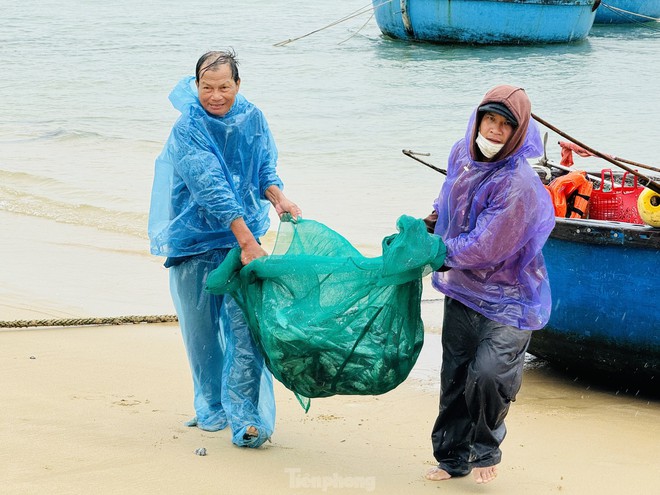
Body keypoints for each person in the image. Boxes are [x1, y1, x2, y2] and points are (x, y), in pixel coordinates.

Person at [148, 50, 301, 448]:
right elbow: (211, 186)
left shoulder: (252, 118)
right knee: (201, 336)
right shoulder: (188, 128)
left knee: (245, 333)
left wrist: (277, 197)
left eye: (224, 87)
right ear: (195, 85)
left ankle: (247, 419)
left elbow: (264, 166)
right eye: (207, 87)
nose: (216, 96)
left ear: (238, 85)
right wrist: (247, 240)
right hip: (195, 241)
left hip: (241, 242)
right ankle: (211, 407)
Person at [424, 85, 555, 483]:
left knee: (489, 374)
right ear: (478, 118)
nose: (495, 130)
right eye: (490, 119)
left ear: (518, 131)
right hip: (464, 288)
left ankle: (485, 448)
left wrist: (432, 251)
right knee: (456, 375)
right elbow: (448, 198)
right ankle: (452, 458)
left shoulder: (518, 184)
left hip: (510, 296)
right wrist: (429, 222)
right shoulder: (461, 153)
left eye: (505, 124)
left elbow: (484, 247)